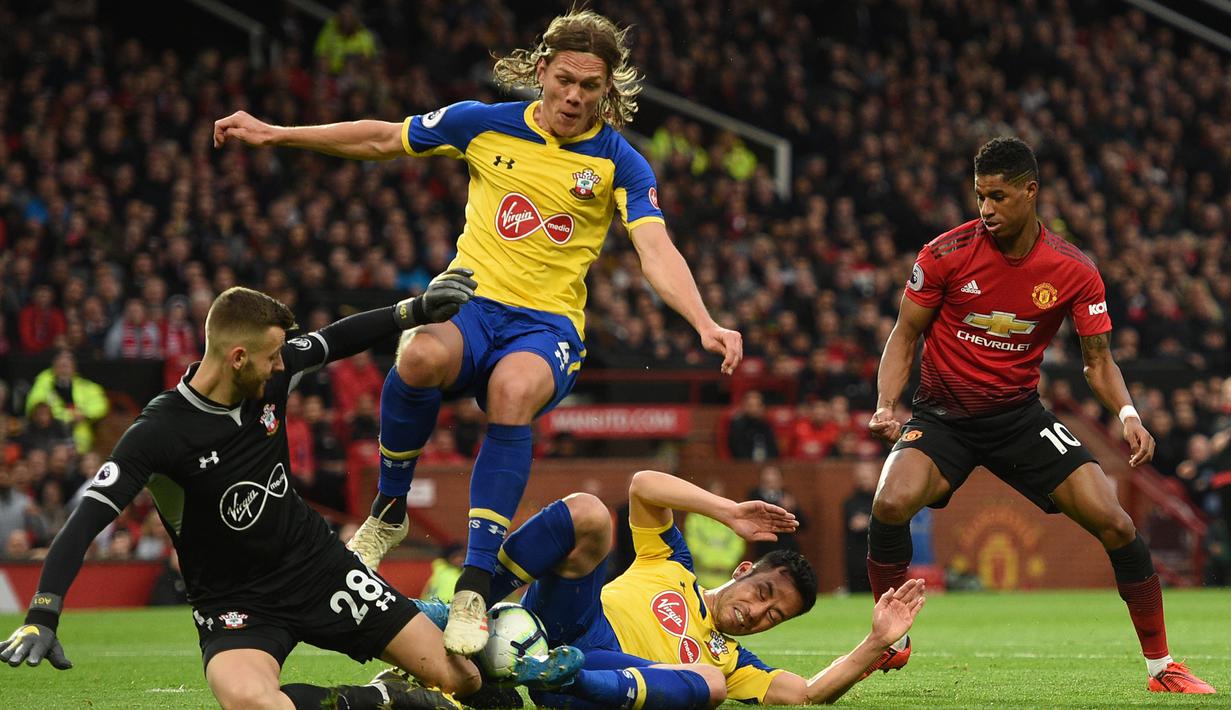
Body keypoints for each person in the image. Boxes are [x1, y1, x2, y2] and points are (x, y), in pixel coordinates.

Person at [213, 8, 742, 655]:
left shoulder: (620, 163)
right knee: (417, 356)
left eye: (590, 86)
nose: (575, 96)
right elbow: (382, 138)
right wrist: (275, 133)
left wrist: (703, 321)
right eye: (565, 80)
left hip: (546, 325)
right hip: (472, 302)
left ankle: (473, 582)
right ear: (541, 71)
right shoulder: (483, 124)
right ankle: (388, 510)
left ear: (608, 88)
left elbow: (655, 249)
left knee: (512, 392)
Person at [1, 276, 582, 709]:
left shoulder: (269, 374)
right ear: (237, 358)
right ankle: (386, 700)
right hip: (235, 604)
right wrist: (41, 614)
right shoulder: (158, 433)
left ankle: (420, 672)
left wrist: (413, 311)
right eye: (273, 356)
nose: (284, 364)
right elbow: (86, 520)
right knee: (253, 703)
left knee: (463, 680)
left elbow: (336, 340)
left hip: (320, 568)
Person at [865, 137, 1214, 694]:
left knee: (1116, 522)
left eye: (998, 197)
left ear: (1030, 192)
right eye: (980, 196)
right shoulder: (944, 253)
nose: (986, 209)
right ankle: (891, 640)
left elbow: (1097, 361)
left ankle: (1161, 667)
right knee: (888, 502)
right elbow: (904, 334)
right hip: (942, 418)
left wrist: (1127, 413)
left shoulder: (1073, 269)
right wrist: (886, 406)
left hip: (1019, 419)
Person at [418, 470, 926, 706]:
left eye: (774, 617)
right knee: (590, 513)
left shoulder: (735, 661)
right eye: (763, 594)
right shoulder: (673, 564)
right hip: (577, 617)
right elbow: (643, 486)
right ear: (743, 571)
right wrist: (728, 510)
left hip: (598, 674)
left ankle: (555, 676)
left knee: (712, 684)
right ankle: (473, 602)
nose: (757, 613)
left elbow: (808, 694)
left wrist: (876, 642)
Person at [24, 350, 110, 454]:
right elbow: (35, 404)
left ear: (74, 368)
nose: (64, 369)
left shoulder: (87, 387)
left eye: (67, 366)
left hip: (79, 439)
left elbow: (101, 405)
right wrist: (69, 416)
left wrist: (85, 414)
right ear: (54, 367)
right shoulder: (43, 383)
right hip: (51, 438)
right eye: (61, 365)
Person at [842, 461, 878, 594]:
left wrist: (867, 521)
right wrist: (874, 521)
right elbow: (855, 524)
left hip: (879, 558)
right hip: (856, 559)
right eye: (862, 477)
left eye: (867, 477)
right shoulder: (850, 502)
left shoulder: (881, 501)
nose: (865, 480)